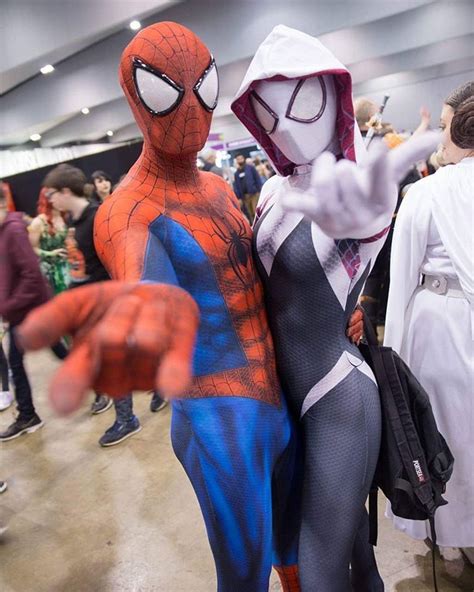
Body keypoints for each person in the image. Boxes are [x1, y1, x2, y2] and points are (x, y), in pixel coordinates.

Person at [231, 24, 438, 591]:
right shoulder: (275, 190)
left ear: (334, 95)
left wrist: (373, 219)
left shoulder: (349, 186)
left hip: (336, 396)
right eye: (269, 113)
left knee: (319, 565)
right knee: (355, 556)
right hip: (286, 400)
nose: (288, 126)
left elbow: (364, 221)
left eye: (301, 103)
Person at [384, 81, 474, 576]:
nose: (439, 140)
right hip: (455, 321)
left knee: (442, 433)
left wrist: (392, 362)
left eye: (444, 128)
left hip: (438, 328)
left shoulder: (425, 193)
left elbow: (401, 282)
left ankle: (451, 538)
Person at [42, 165, 115, 421]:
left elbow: (110, 260)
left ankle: (126, 416)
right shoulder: (74, 221)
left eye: (51, 194)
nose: (50, 200)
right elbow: (81, 265)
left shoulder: (97, 216)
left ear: (64, 190)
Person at [0, 184, 50, 440]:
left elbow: (32, 276)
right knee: (18, 363)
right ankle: (28, 414)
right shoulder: (4, 232)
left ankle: (109, 387)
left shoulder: (14, 231)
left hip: (32, 311)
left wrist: (7, 306)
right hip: (22, 311)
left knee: (66, 353)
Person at [29, 187, 70, 295]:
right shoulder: (38, 222)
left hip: (69, 267)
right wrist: (50, 254)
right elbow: (31, 248)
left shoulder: (66, 217)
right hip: (51, 272)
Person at [232, 153, 262, 222]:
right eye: (238, 159)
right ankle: (254, 228)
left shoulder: (250, 168)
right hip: (245, 196)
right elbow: (236, 185)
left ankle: (260, 225)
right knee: (250, 213)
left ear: (244, 159)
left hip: (254, 194)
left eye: (241, 158)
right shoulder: (236, 173)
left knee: (256, 211)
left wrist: (258, 189)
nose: (240, 160)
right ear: (236, 161)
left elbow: (257, 179)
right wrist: (239, 197)